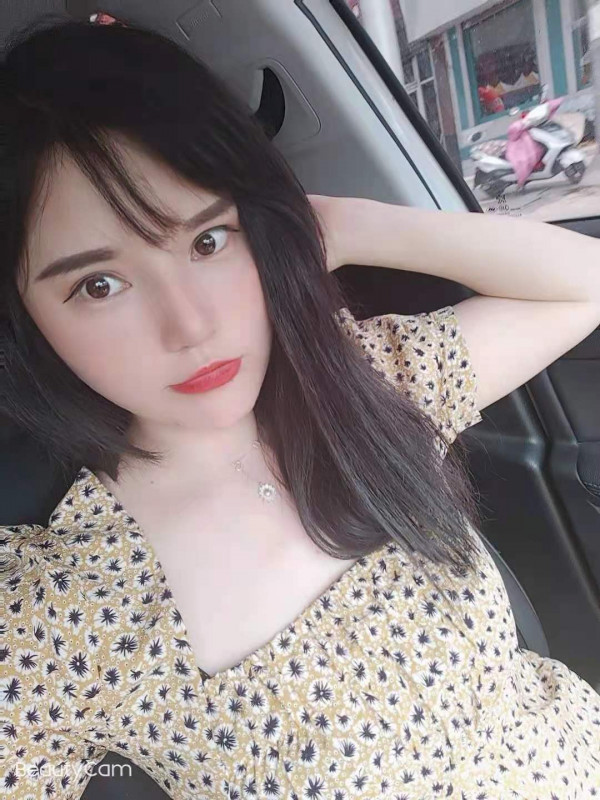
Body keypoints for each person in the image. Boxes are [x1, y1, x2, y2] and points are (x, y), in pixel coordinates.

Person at [1, 16, 599, 800]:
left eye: (209, 241)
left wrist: (345, 226)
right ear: (24, 318)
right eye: (99, 285)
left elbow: (583, 285)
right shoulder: (56, 612)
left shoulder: (365, 384)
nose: (191, 326)